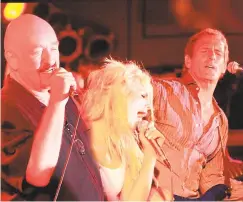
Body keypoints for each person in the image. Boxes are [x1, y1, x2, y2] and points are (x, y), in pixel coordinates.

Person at [1, 14, 104, 201]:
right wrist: (57, 102)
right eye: (37, 52)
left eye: (54, 48)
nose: (51, 61)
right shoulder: (5, 107)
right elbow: (38, 175)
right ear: (13, 59)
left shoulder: (61, 94)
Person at [150, 28, 243, 200]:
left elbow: (211, 180)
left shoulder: (220, 120)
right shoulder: (164, 92)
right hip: (156, 195)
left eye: (218, 53)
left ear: (224, 66)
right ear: (188, 61)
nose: (212, 56)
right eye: (205, 50)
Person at [79, 58, 172, 201]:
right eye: (143, 96)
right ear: (119, 94)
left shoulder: (125, 142)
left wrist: (150, 155)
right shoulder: (82, 134)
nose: (149, 107)